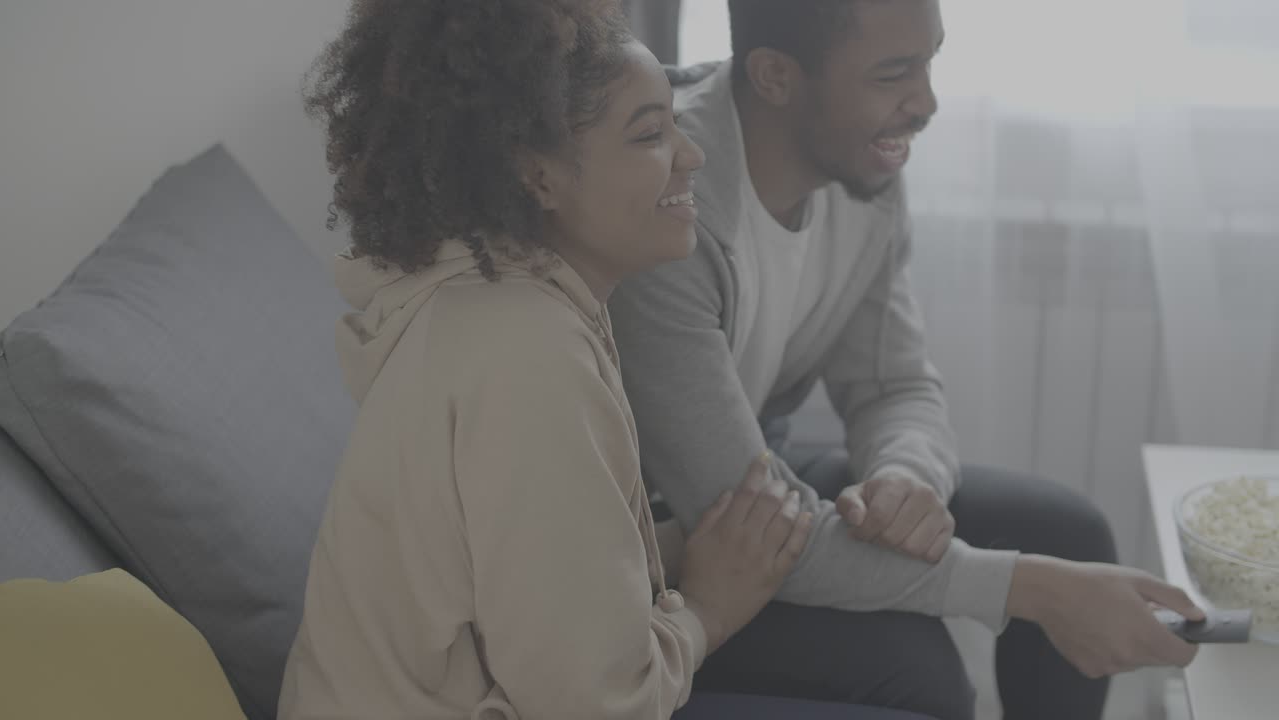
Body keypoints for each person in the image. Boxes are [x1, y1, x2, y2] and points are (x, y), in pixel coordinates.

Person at [272, 1, 903, 718]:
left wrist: (687, 548)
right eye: (650, 135)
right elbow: (598, 704)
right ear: (537, 176)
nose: (690, 156)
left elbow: (528, 564)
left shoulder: (514, 309)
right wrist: (708, 608)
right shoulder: (525, 352)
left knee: (909, 666)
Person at [608, 2, 1205, 719]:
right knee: (924, 673)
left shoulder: (862, 171)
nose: (925, 103)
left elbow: (894, 385)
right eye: (894, 74)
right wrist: (1040, 591)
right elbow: (744, 523)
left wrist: (904, 477)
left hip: (759, 479)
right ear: (774, 76)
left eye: (929, 63)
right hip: (670, 546)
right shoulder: (666, 202)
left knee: (1069, 532)